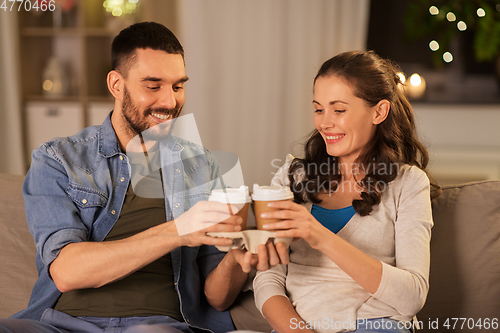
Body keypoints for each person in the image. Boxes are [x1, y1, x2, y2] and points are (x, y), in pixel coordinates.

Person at [0, 22, 287, 333]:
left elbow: (217, 299)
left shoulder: (201, 167)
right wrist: (180, 230)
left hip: (153, 326)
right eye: (153, 86)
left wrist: (237, 258)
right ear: (116, 84)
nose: (169, 102)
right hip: (59, 325)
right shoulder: (59, 159)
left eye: (178, 86)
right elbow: (67, 272)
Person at [253, 50, 441, 333]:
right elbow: (268, 278)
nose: (324, 123)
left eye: (338, 110)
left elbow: (413, 296)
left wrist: (319, 236)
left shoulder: (408, 183)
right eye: (318, 109)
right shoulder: (294, 176)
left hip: (377, 325)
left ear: (379, 111)